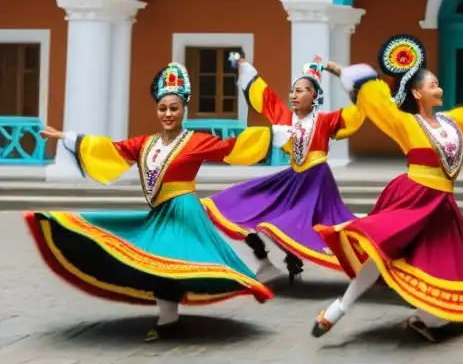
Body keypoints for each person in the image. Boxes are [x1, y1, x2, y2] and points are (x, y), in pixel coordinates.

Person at [24, 62, 286, 342]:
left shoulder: (196, 141)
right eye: (163, 109)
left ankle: (168, 320)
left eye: (174, 108)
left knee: (168, 261)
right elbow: (111, 150)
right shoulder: (144, 144)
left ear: (184, 110)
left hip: (183, 211)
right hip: (159, 212)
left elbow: (232, 147)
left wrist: (274, 136)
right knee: (156, 262)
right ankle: (169, 318)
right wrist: (68, 138)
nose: (168, 114)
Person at [311, 35, 463, 343]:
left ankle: (427, 317)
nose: (440, 89)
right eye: (433, 85)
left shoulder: (455, 122)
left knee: (437, 262)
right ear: (416, 92)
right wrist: (344, 72)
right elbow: (375, 100)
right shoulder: (405, 123)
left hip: (441, 205)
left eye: (438, 84)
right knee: (380, 252)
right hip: (413, 197)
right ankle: (338, 309)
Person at [202, 54, 365, 286]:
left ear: (314, 95)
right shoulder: (285, 118)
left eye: (301, 90)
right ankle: (268, 261)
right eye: (293, 91)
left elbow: (357, 113)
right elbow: (266, 97)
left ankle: (295, 258)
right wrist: (243, 66)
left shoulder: (326, 120)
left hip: (316, 182)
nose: (294, 95)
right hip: (293, 179)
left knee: (298, 224)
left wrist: (343, 75)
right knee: (235, 202)